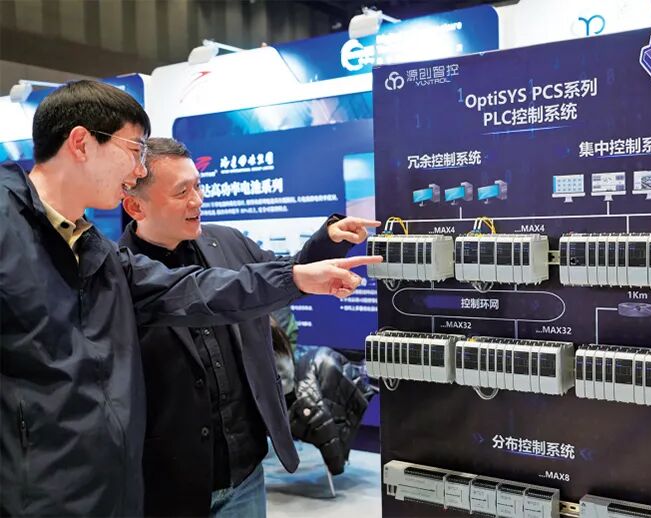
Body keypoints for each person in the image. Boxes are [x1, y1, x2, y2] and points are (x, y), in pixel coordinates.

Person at [0, 80, 380, 517]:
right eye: (133, 150)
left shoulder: (94, 250)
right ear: (82, 143)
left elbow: (198, 289)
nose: (137, 170)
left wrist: (297, 274)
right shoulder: (14, 231)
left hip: (110, 491)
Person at [119, 137, 379, 517]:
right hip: (168, 482)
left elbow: (280, 276)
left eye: (198, 186)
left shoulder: (226, 242)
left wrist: (327, 243)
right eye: (181, 192)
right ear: (135, 206)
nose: (197, 200)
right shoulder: (120, 276)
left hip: (245, 471)